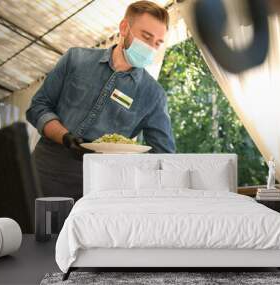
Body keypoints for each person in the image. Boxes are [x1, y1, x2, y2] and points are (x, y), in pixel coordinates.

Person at [26, 1, 175, 200]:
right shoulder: (76, 59)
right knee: (28, 229)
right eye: (146, 36)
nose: (150, 47)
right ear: (124, 28)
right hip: (44, 172)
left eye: (157, 43)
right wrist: (65, 137)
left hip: (99, 189)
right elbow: (38, 107)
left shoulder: (153, 95)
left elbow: (162, 155)